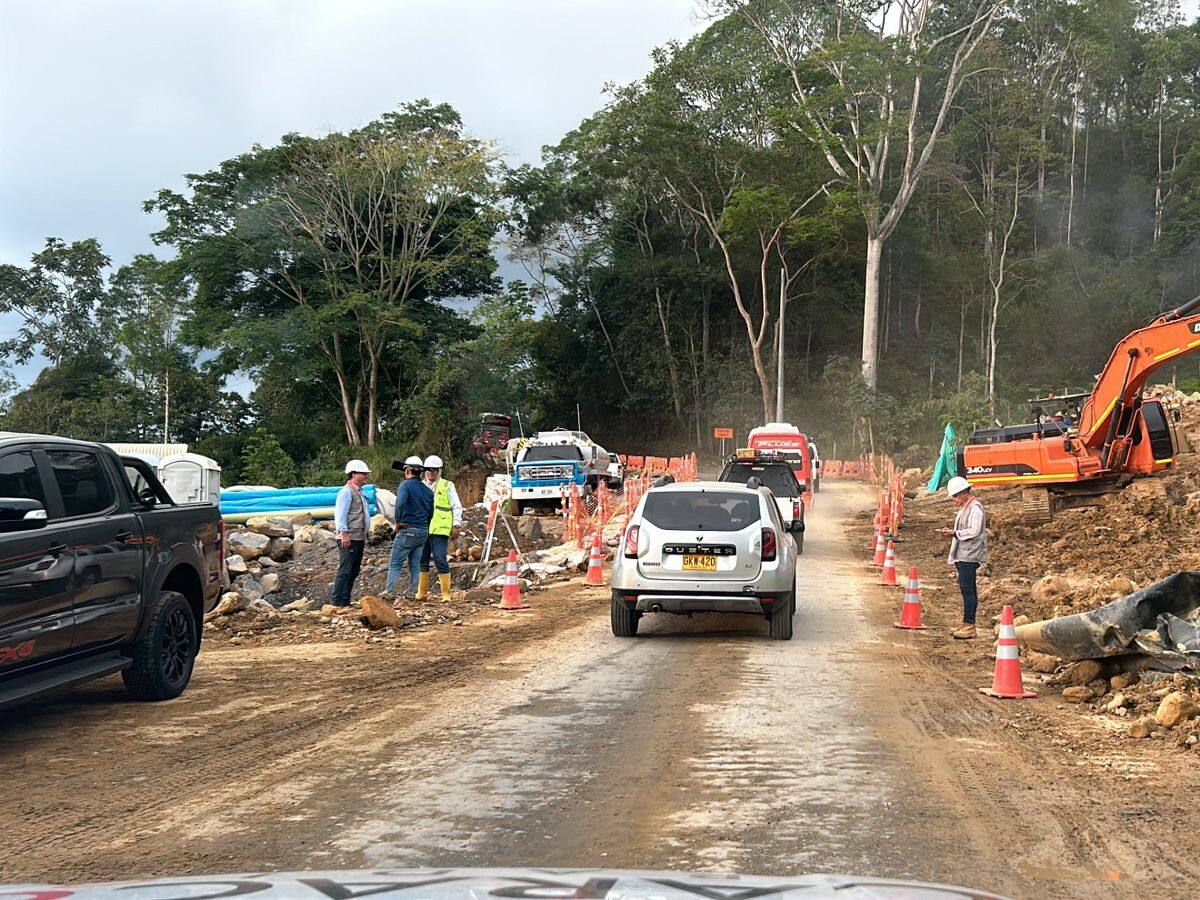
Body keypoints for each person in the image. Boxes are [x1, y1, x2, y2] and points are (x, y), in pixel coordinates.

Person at [938, 475, 988, 640]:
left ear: (965, 492)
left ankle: (969, 626)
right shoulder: (965, 508)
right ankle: (967, 623)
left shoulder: (975, 508)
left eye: (956, 496)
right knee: (968, 589)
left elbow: (974, 531)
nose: (954, 499)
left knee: (968, 590)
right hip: (964, 554)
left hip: (970, 555)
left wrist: (954, 533)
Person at [384, 455, 434, 599]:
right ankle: (412, 593)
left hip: (408, 530)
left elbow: (400, 504)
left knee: (395, 564)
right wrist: (424, 526)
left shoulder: (405, 486)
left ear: (407, 470)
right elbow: (431, 513)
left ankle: (390, 592)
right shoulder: (428, 491)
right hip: (423, 531)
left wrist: (398, 523)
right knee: (415, 565)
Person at [416, 454, 463, 601]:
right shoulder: (420, 486)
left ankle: (446, 593)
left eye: (434, 470)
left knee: (440, 559)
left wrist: (456, 524)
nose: (430, 472)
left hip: (440, 529)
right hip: (423, 528)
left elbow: (456, 506)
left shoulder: (447, 485)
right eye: (428, 470)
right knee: (422, 560)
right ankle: (421, 593)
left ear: (439, 471)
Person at [332, 459, 372, 608]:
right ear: (353, 474)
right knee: (345, 569)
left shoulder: (359, 492)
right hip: (349, 537)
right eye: (363, 473)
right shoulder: (346, 492)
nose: (366, 476)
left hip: (358, 536)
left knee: (353, 570)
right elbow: (340, 514)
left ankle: (345, 600)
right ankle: (337, 601)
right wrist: (343, 533)